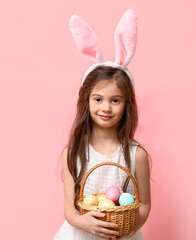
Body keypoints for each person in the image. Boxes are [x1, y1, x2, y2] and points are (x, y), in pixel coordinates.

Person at [54, 9, 151, 240]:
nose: (106, 108)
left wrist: (125, 227)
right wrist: (84, 223)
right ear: (86, 102)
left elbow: (145, 205)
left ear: (126, 105)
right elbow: (70, 211)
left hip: (123, 235)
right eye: (98, 99)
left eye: (115, 100)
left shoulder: (136, 155)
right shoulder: (74, 152)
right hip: (80, 235)